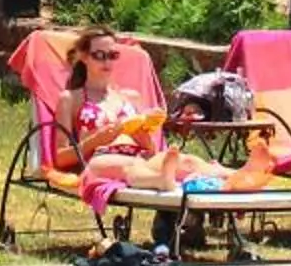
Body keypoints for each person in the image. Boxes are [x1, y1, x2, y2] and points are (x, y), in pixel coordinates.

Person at [53, 30, 201, 231]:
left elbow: (150, 149)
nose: (107, 61)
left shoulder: (131, 97)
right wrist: (96, 139)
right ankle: (161, 180)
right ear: (84, 57)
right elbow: (60, 158)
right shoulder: (71, 98)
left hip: (140, 156)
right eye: (99, 55)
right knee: (130, 166)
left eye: (112, 55)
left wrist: (142, 135)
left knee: (188, 161)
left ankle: (236, 177)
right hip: (101, 159)